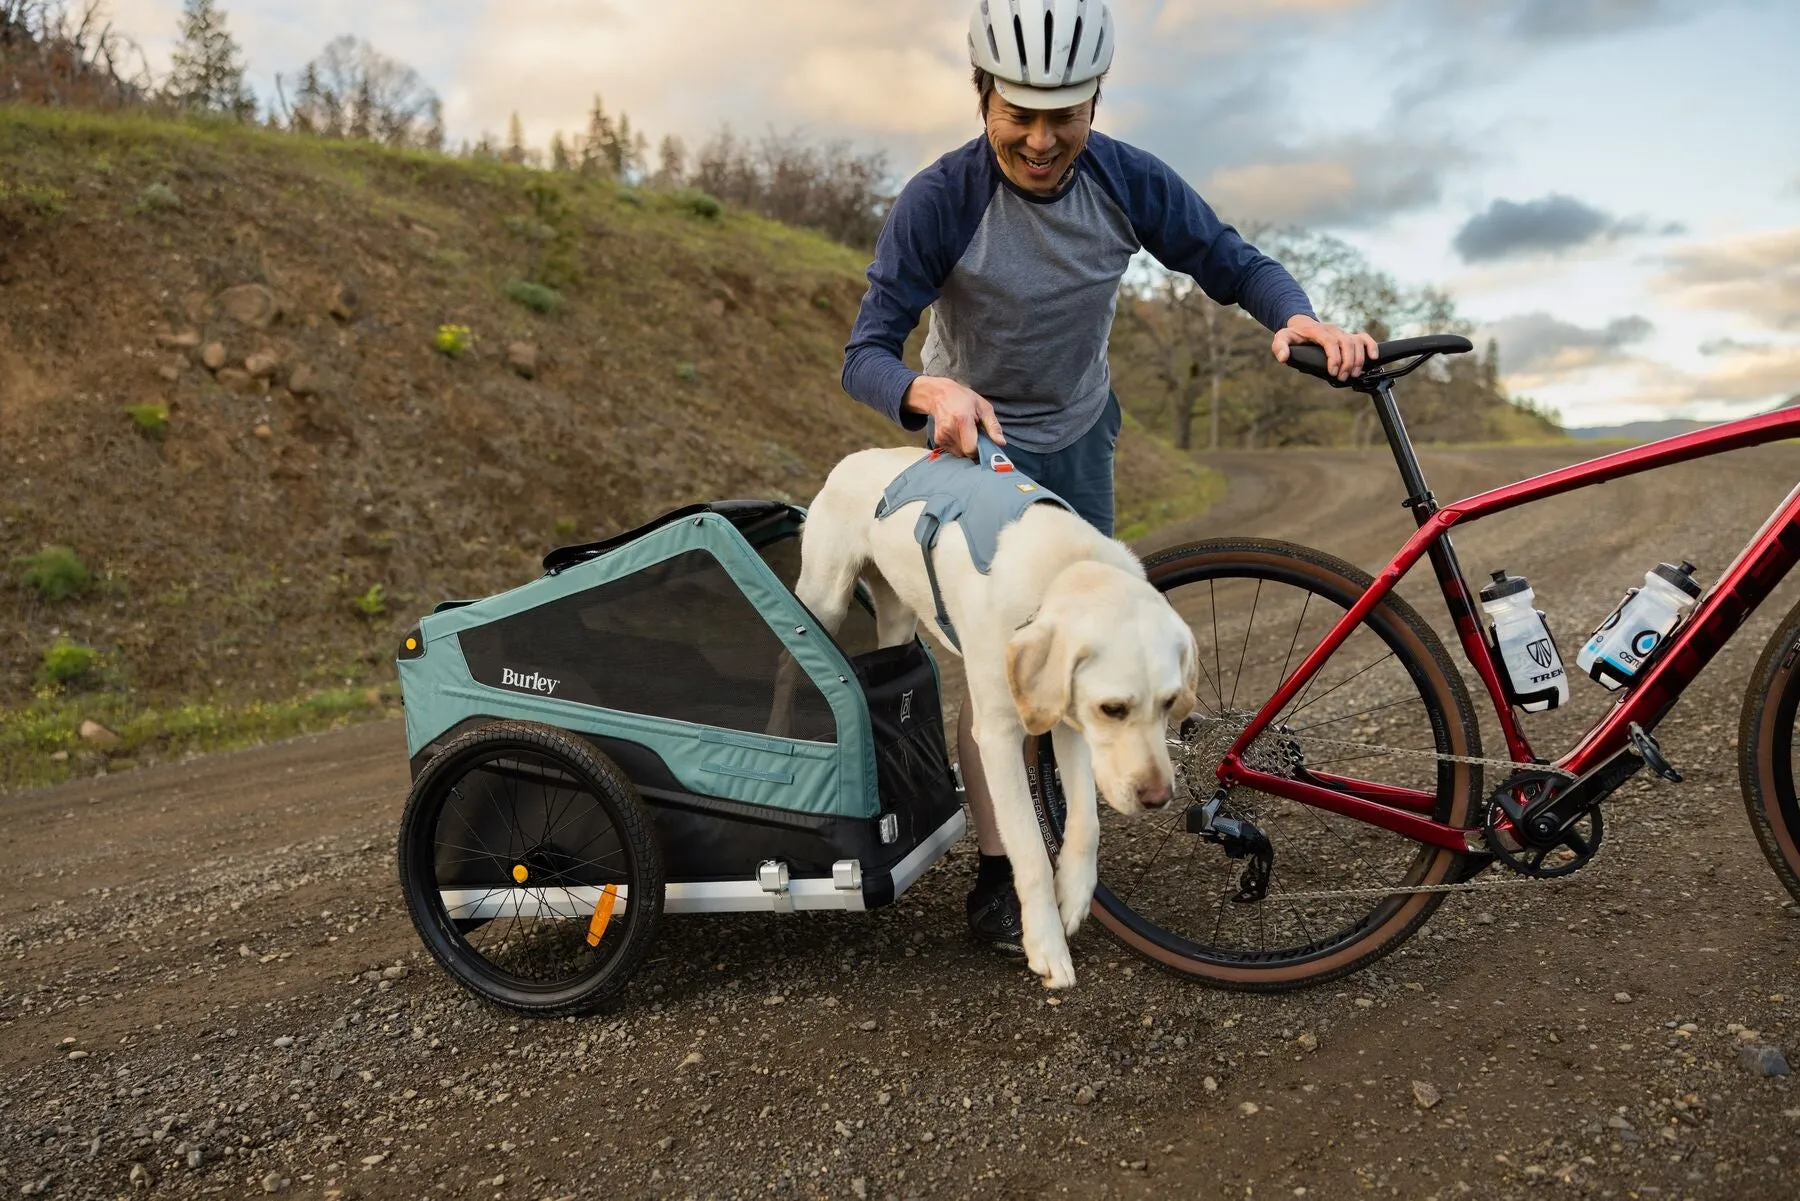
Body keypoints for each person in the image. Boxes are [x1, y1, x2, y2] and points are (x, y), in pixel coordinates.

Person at [839, 0, 1378, 954]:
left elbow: (1229, 260)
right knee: (1002, 671)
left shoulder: (1125, 179)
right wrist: (925, 388)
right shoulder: (942, 197)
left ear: (1095, 101)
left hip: (1080, 434)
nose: (1043, 140)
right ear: (983, 96)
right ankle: (1005, 873)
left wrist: (1291, 315)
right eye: (1020, 113)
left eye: (1067, 113)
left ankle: (1076, 819)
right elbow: (866, 352)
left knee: (1091, 639)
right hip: (975, 453)